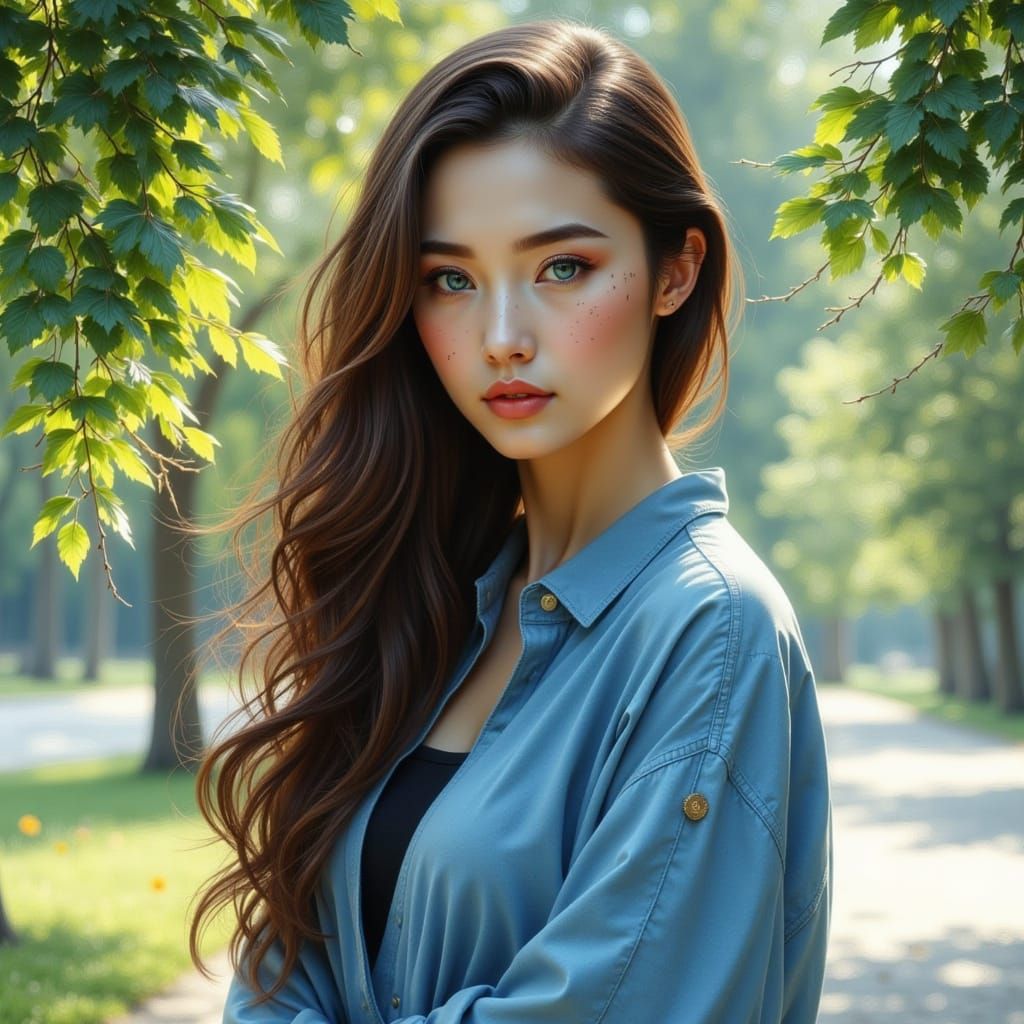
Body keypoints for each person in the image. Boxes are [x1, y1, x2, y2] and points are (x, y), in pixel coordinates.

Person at [190, 18, 833, 1024]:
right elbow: (282, 971)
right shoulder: (424, 599)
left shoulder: (709, 632)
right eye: (450, 280)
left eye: (561, 267)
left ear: (675, 270)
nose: (500, 338)